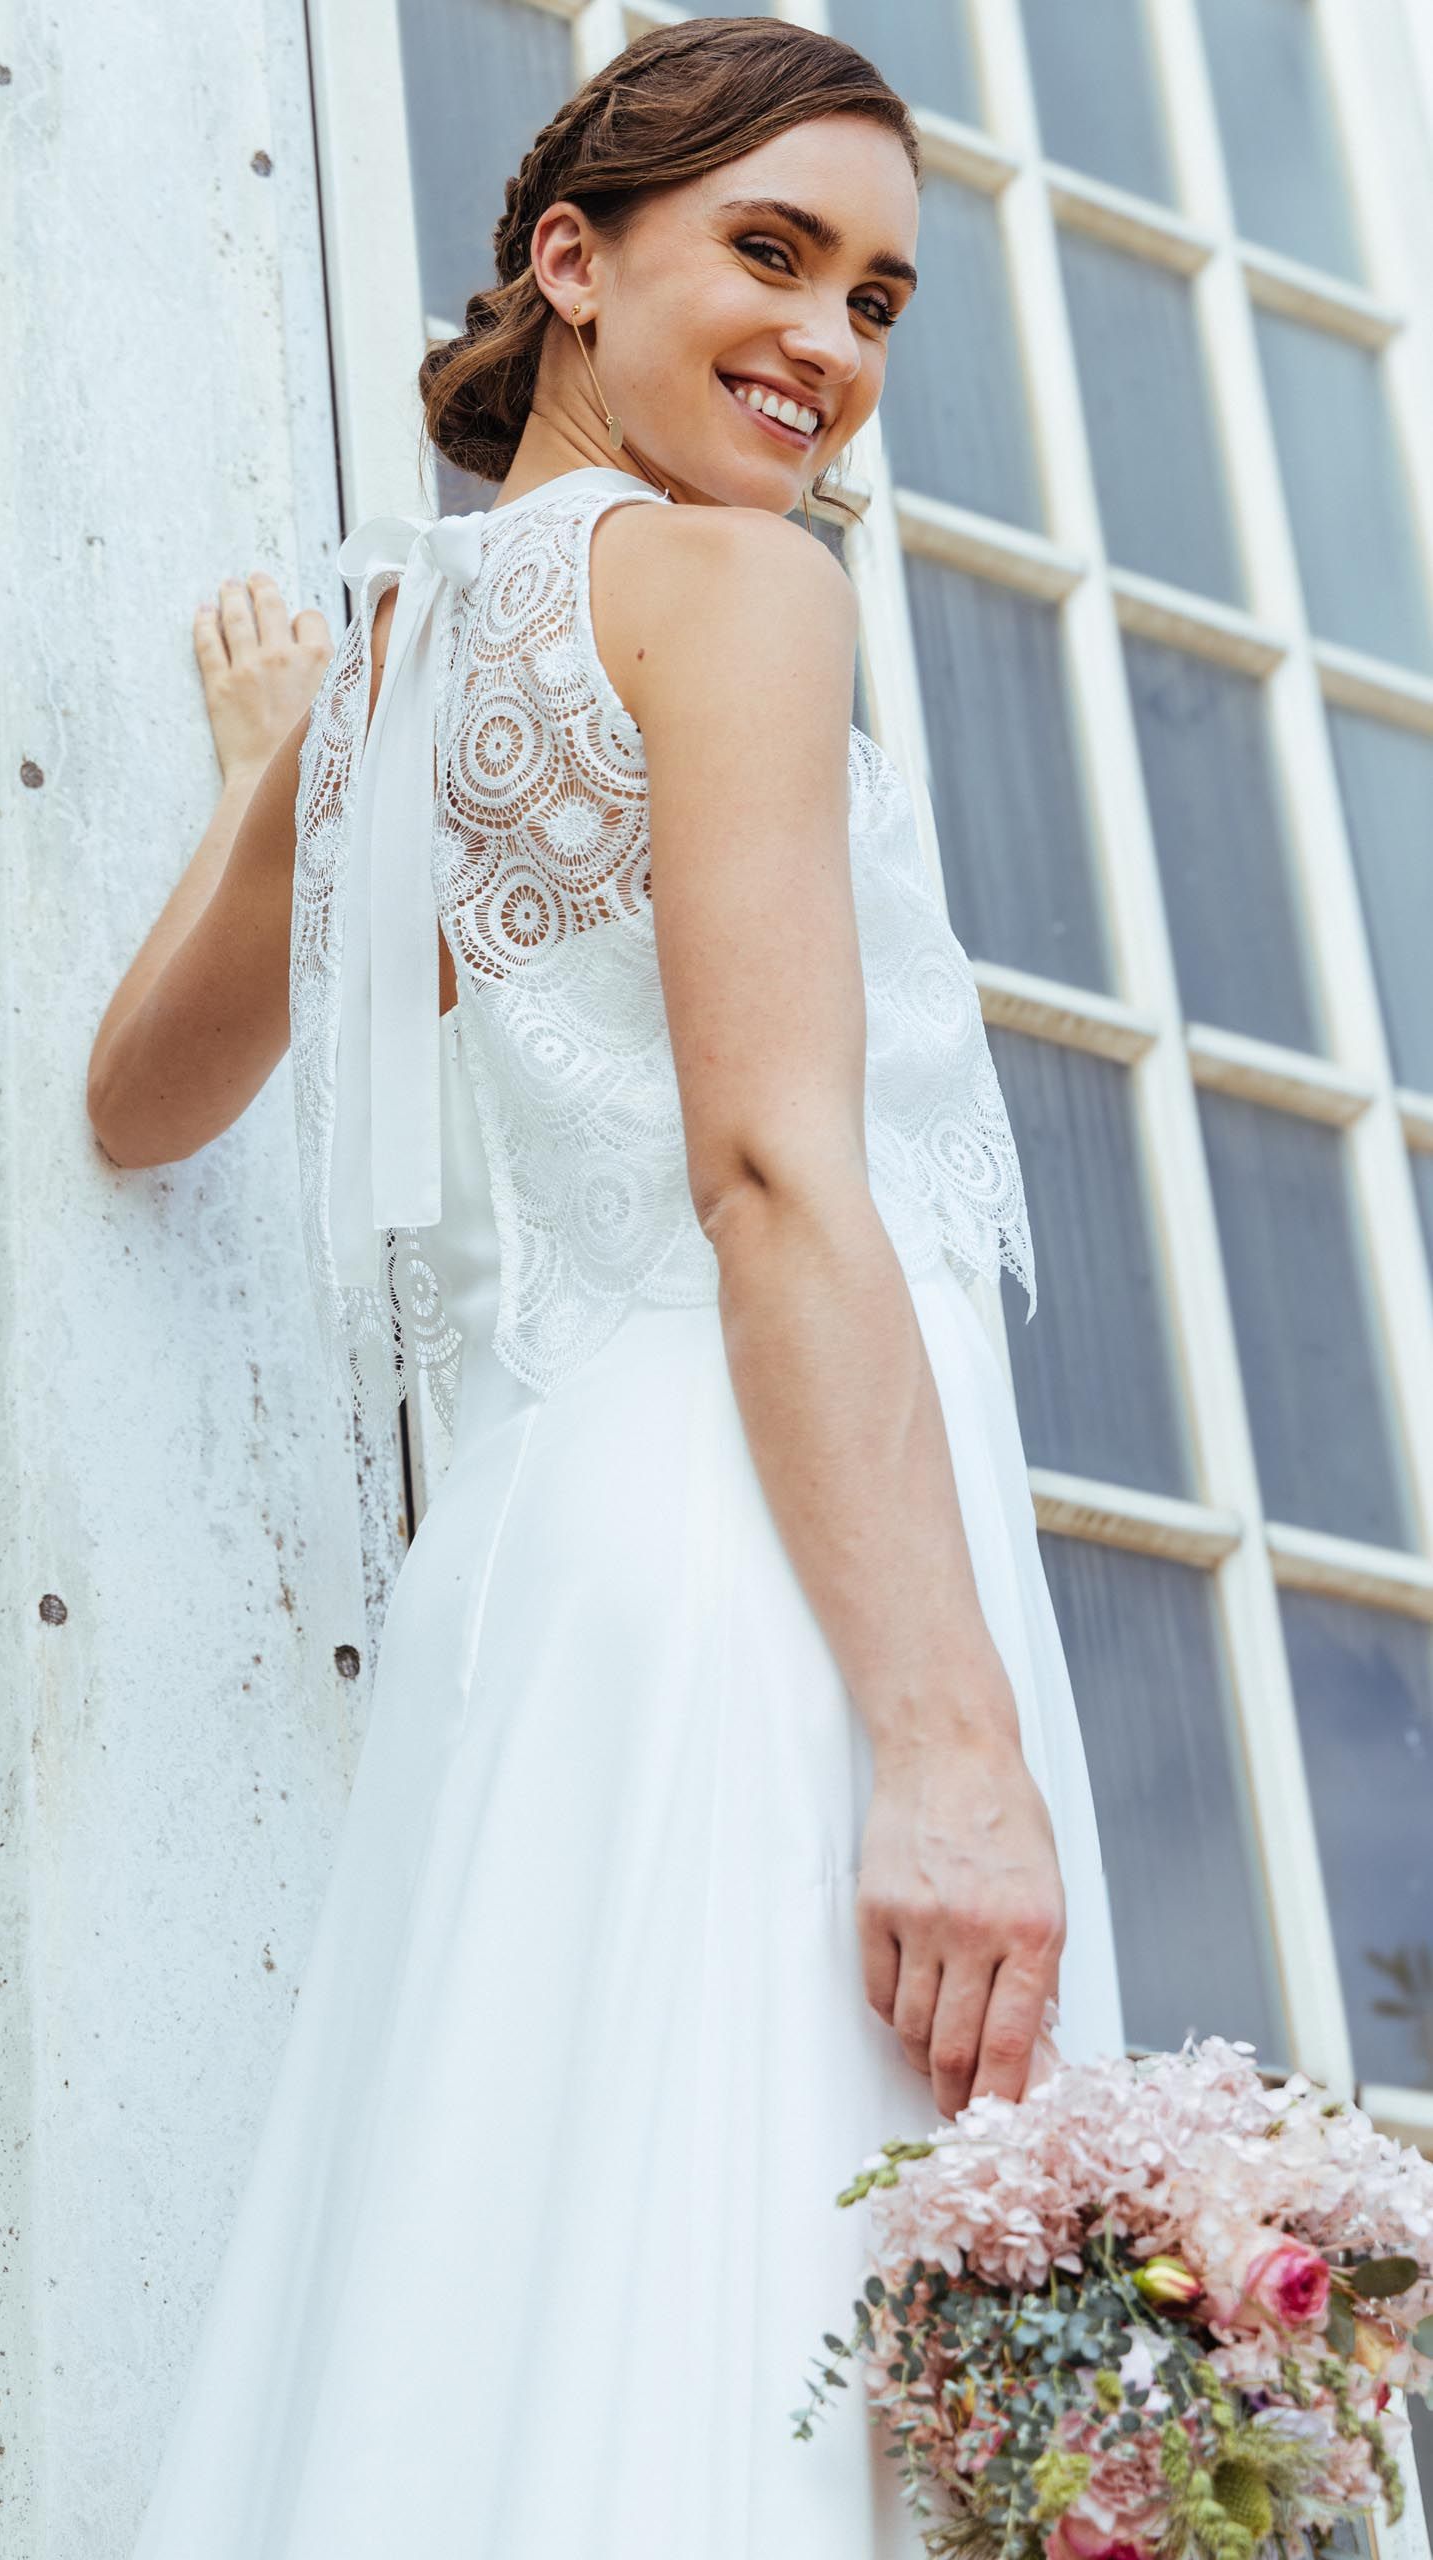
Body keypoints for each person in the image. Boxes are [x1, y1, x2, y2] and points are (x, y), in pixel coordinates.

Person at [89, 19, 1125, 2555]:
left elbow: (140, 1090)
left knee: (529, 2302)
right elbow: (772, 1165)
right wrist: (945, 1735)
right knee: (789, 2313)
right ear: (569, 259)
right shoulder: (733, 590)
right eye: (765, 253)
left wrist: (282, 788)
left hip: (553, 1594)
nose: (829, 345)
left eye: (878, 297)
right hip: (788, 1568)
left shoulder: (423, 656)